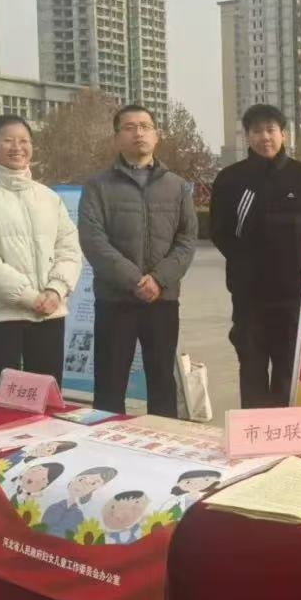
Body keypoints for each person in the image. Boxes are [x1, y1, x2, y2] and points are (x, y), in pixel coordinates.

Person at [78, 105, 196, 417]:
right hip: (115, 299)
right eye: (129, 127)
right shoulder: (98, 186)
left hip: (162, 299)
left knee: (162, 381)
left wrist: (158, 279)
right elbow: (93, 240)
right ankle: (107, 441)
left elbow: (186, 240)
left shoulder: (177, 186)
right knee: (109, 383)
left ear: (157, 135)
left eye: (145, 126)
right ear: (117, 138)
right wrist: (134, 280)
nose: (138, 133)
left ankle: (164, 440)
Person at [0, 115, 82, 392]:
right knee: (0, 400)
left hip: (48, 314)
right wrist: (29, 297)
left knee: (45, 401)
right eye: (8, 140)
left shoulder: (49, 197)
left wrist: (55, 290)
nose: (17, 147)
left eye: (24, 141)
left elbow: (70, 249)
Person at [210, 104, 301, 408]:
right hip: (250, 299)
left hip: (293, 299)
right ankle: (255, 431)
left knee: (288, 371)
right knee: (252, 369)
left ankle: (285, 432)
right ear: (247, 136)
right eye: (257, 131)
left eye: (271, 130)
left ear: (284, 134)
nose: (265, 137)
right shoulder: (231, 179)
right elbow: (220, 232)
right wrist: (248, 268)